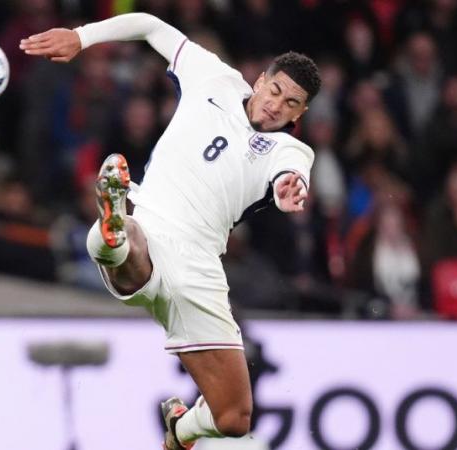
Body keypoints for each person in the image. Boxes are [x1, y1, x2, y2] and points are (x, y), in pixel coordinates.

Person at [20, 13, 319, 449]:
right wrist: (81, 37)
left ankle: (181, 429)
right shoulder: (214, 78)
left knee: (234, 418)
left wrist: (292, 186)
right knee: (130, 245)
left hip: (200, 267)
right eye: (275, 90)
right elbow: (150, 25)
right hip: (153, 222)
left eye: (291, 103)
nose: (277, 105)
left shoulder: (290, 149)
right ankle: (114, 230)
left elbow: (291, 173)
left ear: (301, 112)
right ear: (260, 80)